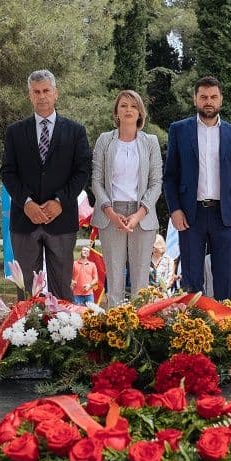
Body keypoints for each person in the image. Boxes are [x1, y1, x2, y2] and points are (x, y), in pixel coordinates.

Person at [0, 70, 92, 301]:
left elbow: (82, 172)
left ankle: (66, 335)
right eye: (36, 92)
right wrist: (27, 203)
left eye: (46, 91)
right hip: (25, 220)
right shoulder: (15, 132)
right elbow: (8, 172)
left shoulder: (75, 131)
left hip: (62, 221)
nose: (42, 96)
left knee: (62, 287)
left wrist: (61, 201)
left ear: (55, 93)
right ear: (30, 96)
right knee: (26, 292)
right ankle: (26, 335)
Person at [162, 75, 231, 302]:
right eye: (203, 97)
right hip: (190, 216)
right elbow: (170, 176)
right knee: (192, 279)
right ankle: (193, 331)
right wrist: (174, 209)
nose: (208, 101)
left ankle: (224, 332)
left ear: (220, 100)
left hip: (226, 217)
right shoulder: (179, 130)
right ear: (195, 99)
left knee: (225, 279)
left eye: (213, 97)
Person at [90, 90, 163, 302]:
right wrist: (111, 212)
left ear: (140, 112)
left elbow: (156, 182)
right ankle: (115, 329)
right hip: (111, 214)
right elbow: (96, 180)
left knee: (141, 280)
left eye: (133, 106)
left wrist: (139, 214)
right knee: (114, 278)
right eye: (123, 105)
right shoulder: (105, 141)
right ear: (116, 112)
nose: (128, 110)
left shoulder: (150, 142)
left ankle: (140, 328)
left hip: (142, 215)